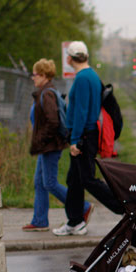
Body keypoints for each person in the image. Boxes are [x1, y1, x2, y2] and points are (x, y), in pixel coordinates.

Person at [53, 41, 122, 236]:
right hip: (88, 134)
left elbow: (81, 111)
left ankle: (124, 206)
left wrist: (75, 139)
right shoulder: (91, 75)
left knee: (88, 179)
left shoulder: (83, 78)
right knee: (74, 180)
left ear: (69, 58)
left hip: (84, 135)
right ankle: (75, 222)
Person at [25, 58, 90, 232]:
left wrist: (41, 139)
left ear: (43, 75)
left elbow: (53, 122)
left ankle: (83, 207)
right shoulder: (46, 91)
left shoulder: (47, 94)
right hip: (46, 146)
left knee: (50, 183)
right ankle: (40, 220)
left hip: (50, 146)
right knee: (39, 182)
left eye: (35, 74)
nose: (33, 77)